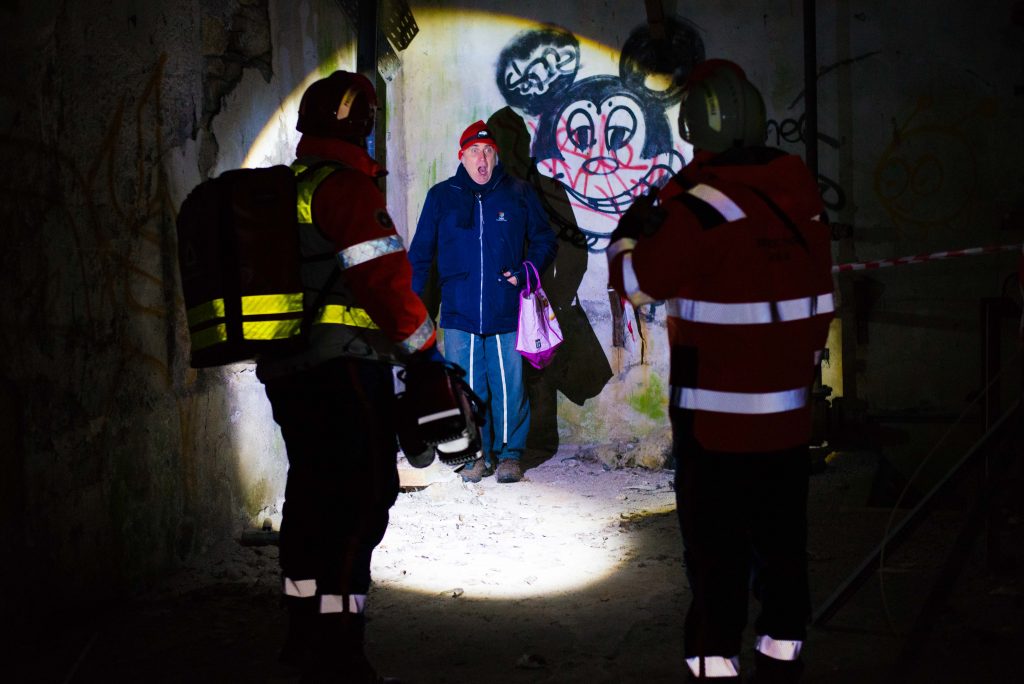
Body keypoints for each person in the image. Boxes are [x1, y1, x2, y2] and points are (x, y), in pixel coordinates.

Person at [607, 60, 835, 682]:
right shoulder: (801, 198)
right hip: (787, 418)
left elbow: (637, 285)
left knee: (716, 558)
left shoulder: (698, 206)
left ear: (693, 124)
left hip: (714, 422)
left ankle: (715, 665)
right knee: (782, 549)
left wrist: (626, 237)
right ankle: (782, 660)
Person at [255, 70, 440, 684]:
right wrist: (426, 353)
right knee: (360, 503)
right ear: (363, 126)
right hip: (344, 370)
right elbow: (386, 285)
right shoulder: (347, 189)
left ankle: (301, 630)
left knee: (310, 496)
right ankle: (340, 649)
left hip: (287, 371)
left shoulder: (287, 188)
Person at [408, 120, 557, 483]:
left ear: (497, 155)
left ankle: (509, 455)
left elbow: (544, 239)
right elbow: (421, 257)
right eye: (474, 151)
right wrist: (415, 308)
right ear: (462, 156)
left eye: (488, 151)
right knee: (466, 387)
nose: (482, 159)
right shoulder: (441, 196)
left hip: (505, 306)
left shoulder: (518, 192)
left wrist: (525, 272)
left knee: (509, 385)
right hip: (458, 310)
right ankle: (476, 456)